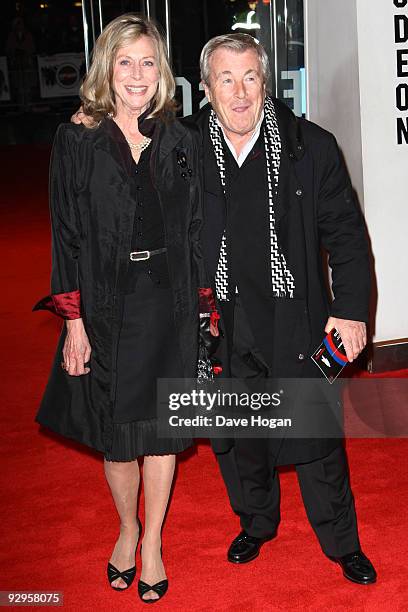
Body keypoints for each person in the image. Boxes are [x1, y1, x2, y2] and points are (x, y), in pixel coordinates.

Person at [181, 33, 377, 585]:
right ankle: (256, 523)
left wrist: (352, 311)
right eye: (226, 79)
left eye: (250, 78)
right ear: (206, 89)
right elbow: (127, 147)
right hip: (223, 322)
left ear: (267, 82)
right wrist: (89, 118)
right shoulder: (186, 147)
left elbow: (346, 236)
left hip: (297, 316)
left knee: (316, 438)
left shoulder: (308, 146)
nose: (239, 93)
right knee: (239, 438)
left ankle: (342, 542)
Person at [34, 14, 215, 603]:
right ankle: (127, 527)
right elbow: (66, 236)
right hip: (109, 309)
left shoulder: (181, 138)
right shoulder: (79, 139)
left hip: (170, 307)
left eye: (147, 63)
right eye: (124, 62)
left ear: (160, 71)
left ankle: (155, 541)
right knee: (118, 437)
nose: (137, 75)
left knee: (163, 434)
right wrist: (73, 321)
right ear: (105, 68)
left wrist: (206, 308)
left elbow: (197, 230)